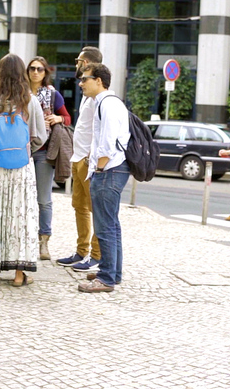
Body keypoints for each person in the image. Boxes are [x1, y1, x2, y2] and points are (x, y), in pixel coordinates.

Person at [0, 54, 47, 287]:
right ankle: (18, 274)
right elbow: (40, 136)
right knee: (20, 217)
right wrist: (25, 151)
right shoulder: (29, 100)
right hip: (22, 169)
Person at [76, 63, 131, 294]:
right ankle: (113, 272)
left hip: (109, 169)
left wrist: (98, 169)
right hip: (115, 168)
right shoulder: (109, 102)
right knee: (112, 223)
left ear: (99, 80)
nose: (81, 83)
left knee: (105, 225)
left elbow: (107, 143)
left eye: (85, 79)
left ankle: (107, 278)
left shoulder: (107, 104)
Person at [56, 46, 102, 273]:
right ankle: (81, 251)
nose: (76, 65)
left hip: (88, 160)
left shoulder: (99, 94)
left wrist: (91, 159)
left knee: (95, 209)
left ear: (87, 63)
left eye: (78, 61)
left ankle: (96, 255)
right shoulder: (86, 93)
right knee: (79, 207)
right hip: (78, 157)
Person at [26, 56, 71, 261]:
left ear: (45, 73)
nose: (36, 72)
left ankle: (43, 241)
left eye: (40, 69)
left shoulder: (53, 94)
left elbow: (68, 118)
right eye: (32, 69)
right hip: (22, 151)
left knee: (43, 199)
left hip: (45, 151)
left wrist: (58, 118)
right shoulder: (20, 92)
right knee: (22, 199)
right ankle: (23, 240)